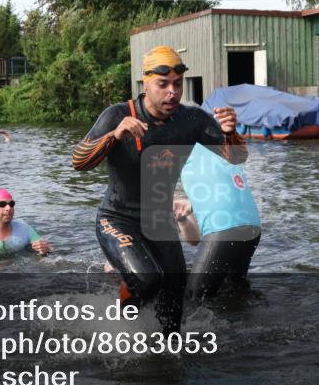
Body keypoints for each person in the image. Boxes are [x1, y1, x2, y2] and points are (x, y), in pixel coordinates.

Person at [71, 45, 246, 333]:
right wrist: (114, 137)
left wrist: (231, 134)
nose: (172, 92)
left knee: (174, 302)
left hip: (159, 222)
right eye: (162, 84)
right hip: (117, 218)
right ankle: (114, 323)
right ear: (146, 84)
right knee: (149, 280)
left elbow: (236, 159)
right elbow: (78, 161)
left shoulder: (192, 120)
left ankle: (165, 363)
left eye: (177, 84)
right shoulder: (117, 115)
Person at [0, 188, 51, 261]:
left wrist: (45, 249)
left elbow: (47, 249)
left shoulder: (24, 229)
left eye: (11, 204)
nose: (8, 208)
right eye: (2, 204)